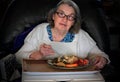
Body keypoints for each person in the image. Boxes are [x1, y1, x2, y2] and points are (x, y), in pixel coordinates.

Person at [15, 0, 110, 70]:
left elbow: (100, 54)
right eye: (61, 14)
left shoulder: (81, 35)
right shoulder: (40, 31)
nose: (65, 19)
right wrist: (38, 54)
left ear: (73, 22)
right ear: (53, 16)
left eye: (71, 16)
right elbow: (18, 56)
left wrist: (101, 59)